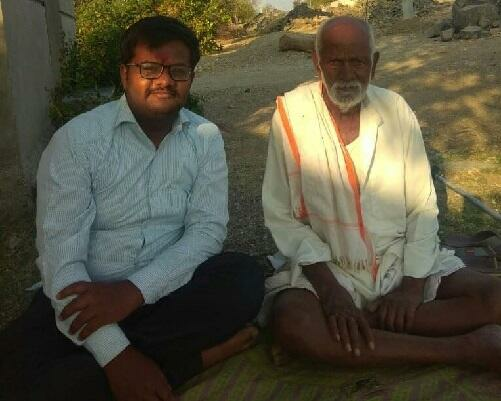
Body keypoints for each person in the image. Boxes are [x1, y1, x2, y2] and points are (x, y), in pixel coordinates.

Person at [0, 16, 264, 401]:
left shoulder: (204, 138)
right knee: (16, 373)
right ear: (125, 75)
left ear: (191, 77)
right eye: (149, 68)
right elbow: (61, 261)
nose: (164, 80)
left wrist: (133, 292)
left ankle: (106, 372)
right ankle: (188, 362)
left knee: (244, 279)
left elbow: (206, 232)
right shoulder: (77, 141)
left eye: (178, 70)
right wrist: (117, 355)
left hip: (166, 292)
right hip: (87, 301)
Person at [261, 16, 501, 372]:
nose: (346, 74)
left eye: (357, 62)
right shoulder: (291, 115)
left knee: (495, 299)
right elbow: (281, 215)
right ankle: (465, 349)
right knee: (296, 324)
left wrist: (411, 289)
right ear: (316, 62)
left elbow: (421, 206)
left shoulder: (396, 110)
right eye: (335, 62)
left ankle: (360, 326)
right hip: (327, 268)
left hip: (398, 260)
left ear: (374, 64)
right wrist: (331, 293)